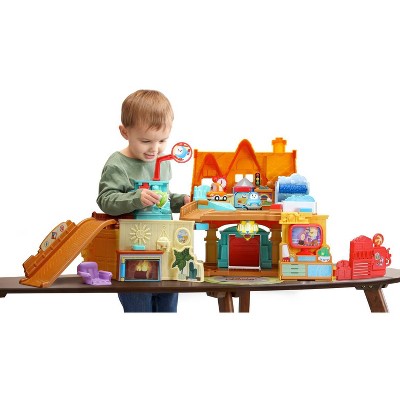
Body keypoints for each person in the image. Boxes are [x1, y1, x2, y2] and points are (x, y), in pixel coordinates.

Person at [96, 89, 190, 312]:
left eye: (162, 140)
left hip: (166, 248)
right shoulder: (118, 164)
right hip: (133, 251)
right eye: (146, 141)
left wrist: (181, 201)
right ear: (125, 132)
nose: (154, 149)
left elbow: (162, 200)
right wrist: (136, 198)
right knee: (139, 309)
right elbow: (106, 200)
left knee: (168, 310)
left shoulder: (163, 161)